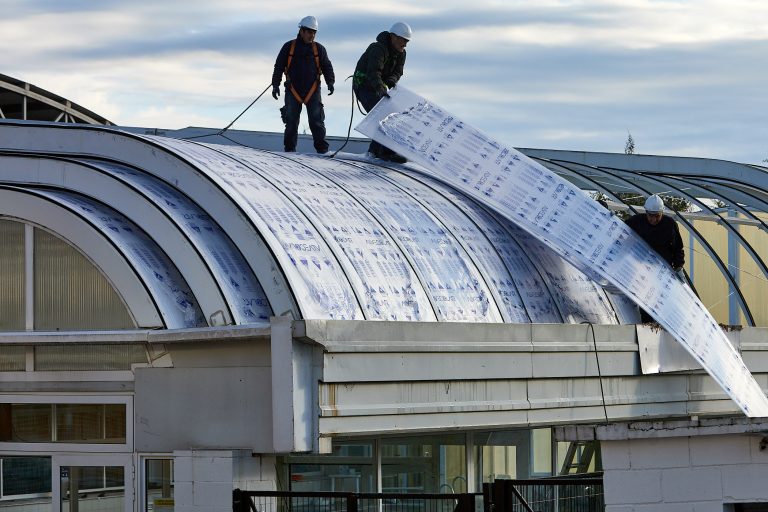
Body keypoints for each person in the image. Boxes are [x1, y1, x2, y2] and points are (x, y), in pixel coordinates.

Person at [272, 16, 335, 154]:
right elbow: (279, 66)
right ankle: (289, 150)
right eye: (309, 32)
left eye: (314, 32)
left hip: (312, 91)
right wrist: (275, 84)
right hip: (292, 90)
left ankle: (322, 150)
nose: (311, 35)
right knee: (291, 122)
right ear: (301, 31)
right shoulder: (289, 47)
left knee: (316, 121)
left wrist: (330, 81)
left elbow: (327, 66)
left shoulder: (319, 50)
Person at [353, 22, 412, 163]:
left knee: (391, 115)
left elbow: (398, 72)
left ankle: (381, 151)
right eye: (403, 40)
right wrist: (380, 87)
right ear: (393, 37)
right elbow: (374, 72)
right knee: (381, 115)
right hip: (364, 87)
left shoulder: (401, 54)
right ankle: (380, 152)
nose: (405, 44)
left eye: (406, 41)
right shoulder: (377, 49)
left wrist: (391, 81)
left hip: (380, 88)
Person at [626, 194, 686, 322]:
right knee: (645, 300)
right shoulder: (636, 222)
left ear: (662, 213)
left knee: (663, 301)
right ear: (646, 212)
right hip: (642, 269)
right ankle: (647, 325)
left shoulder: (669, 224)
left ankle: (664, 324)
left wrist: (679, 267)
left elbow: (678, 248)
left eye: (657, 216)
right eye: (650, 216)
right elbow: (620, 230)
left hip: (663, 270)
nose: (653, 219)